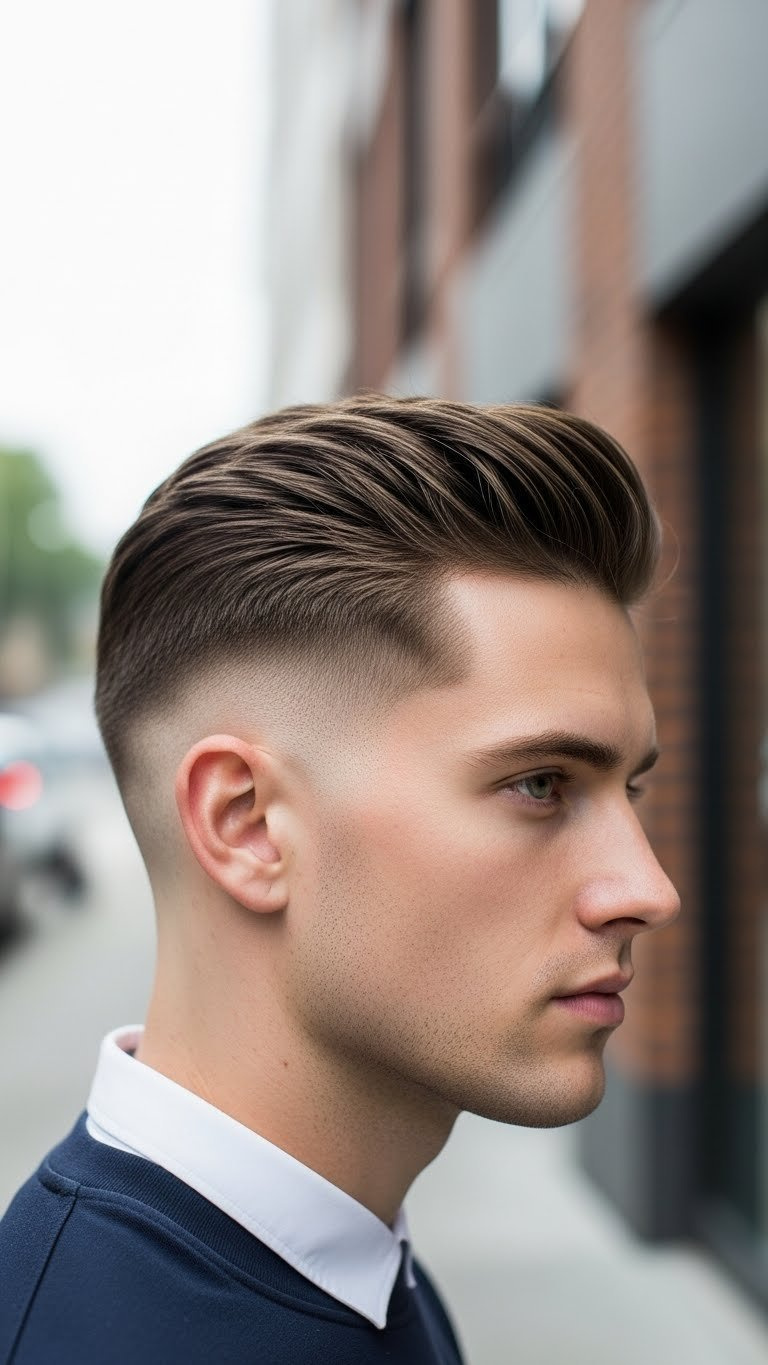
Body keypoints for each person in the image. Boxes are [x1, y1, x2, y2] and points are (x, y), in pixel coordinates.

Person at [0, 395, 680, 1363]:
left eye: (632, 788)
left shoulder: (344, 1264)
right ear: (246, 825)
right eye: (540, 784)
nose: (647, 889)